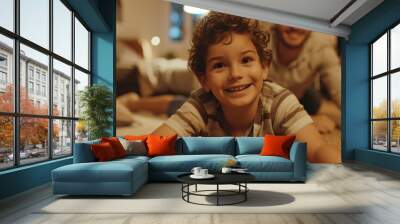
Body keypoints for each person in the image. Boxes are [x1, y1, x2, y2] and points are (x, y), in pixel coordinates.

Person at [152, 12, 340, 163]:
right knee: (174, 102)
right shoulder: (201, 105)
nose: (235, 74)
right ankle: (135, 103)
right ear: (204, 79)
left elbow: (317, 150)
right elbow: (156, 144)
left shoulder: (280, 101)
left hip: (293, 97)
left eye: (246, 60)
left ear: (265, 67)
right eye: (219, 65)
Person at [267, 24, 341, 133]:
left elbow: (342, 93)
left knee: (340, 116)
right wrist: (303, 121)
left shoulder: (321, 47)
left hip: (300, 96)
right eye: (288, 15)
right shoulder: (261, 42)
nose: (295, 26)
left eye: (302, 17)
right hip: (265, 100)